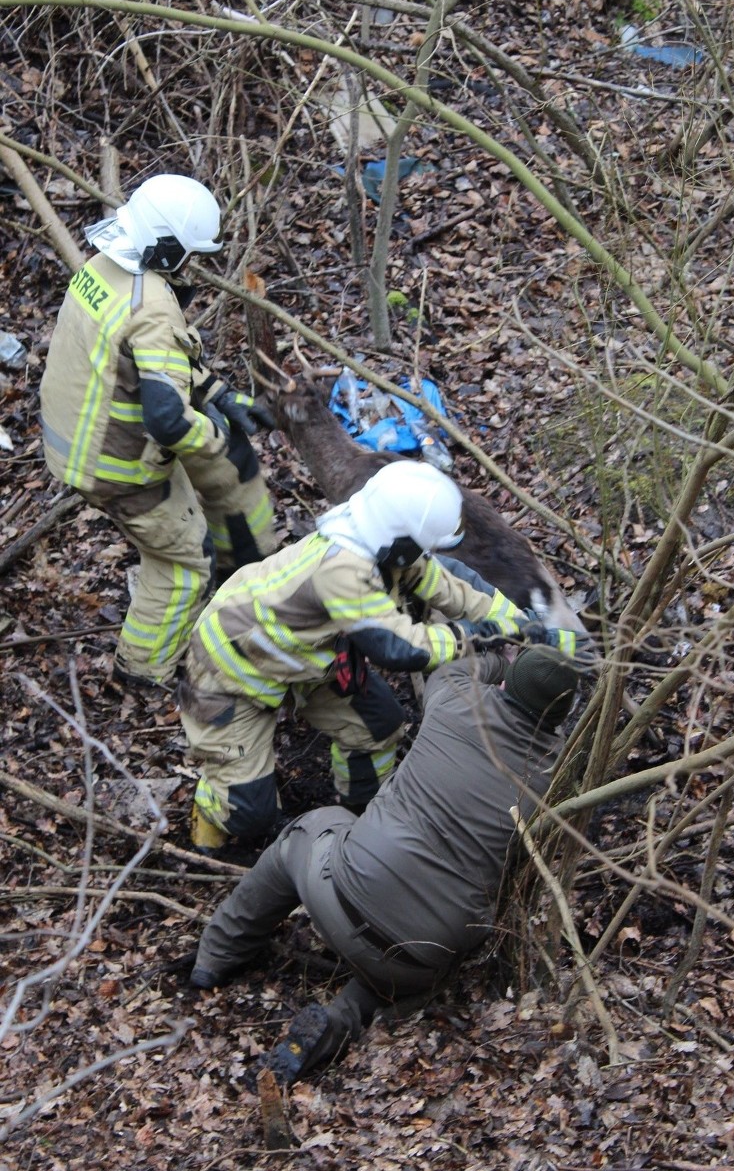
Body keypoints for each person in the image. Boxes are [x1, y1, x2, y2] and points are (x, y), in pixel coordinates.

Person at [189, 643, 581, 1083]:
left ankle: (216, 955)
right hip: (418, 954)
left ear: (507, 682)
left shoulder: (456, 700)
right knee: (413, 970)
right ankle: (340, 1018)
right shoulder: (557, 776)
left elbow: (458, 668)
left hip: (340, 894)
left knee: (312, 827)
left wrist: (498, 659)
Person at [178, 459, 582, 851]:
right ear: (401, 538)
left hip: (304, 658)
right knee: (249, 813)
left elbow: (454, 588)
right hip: (230, 669)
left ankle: (360, 814)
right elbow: (399, 647)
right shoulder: (344, 569)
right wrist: (472, 636)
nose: (426, 556)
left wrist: (523, 625)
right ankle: (209, 823)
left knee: (378, 727)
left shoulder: (385, 546)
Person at [39, 174, 277, 689]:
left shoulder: (102, 269)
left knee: (190, 515)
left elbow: (146, 362)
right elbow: (166, 419)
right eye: (188, 255)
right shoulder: (153, 305)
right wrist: (215, 437)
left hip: (73, 437)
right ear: (166, 250)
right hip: (115, 466)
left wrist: (218, 395)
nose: (191, 267)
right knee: (186, 561)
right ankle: (141, 672)